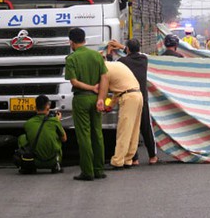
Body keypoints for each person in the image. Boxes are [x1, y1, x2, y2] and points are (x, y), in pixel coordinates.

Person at [65, 27, 108, 181]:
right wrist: (101, 98)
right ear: (84, 39)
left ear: (71, 42)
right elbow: (104, 78)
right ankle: (99, 169)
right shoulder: (97, 56)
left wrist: (90, 88)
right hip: (97, 99)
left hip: (81, 99)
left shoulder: (71, 59)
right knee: (97, 134)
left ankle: (87, 172)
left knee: (84, 136)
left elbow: (74, 81)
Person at [106, 39, 158, 165]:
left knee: (129, 127)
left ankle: (134, 158)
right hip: (142, 97)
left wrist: (109, 52)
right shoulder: (143, 60)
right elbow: (133, 52)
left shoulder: (123, 61)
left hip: (128, 97)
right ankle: (152, 156)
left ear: (128, 49)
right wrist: (122, 46)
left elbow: (109, 67)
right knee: (145, 128)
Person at [98, 61, 144, 169]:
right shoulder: (116, 65)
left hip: (128, 97)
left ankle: (117, 161)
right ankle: (128, 159)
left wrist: (103, 103)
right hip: (137, 94)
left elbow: (104, 91)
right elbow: (117, 91)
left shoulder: (105, 70)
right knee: (133, 130)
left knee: (123, 130)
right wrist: (110, 105)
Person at [17, 95, 67, 174]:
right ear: (48, 107)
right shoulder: (54, 121)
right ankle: (56, 165)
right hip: (53, 160)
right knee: (57, 136)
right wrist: (58, 122)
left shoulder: (28, 123)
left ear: (35, 107)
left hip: (34, 161)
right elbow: (64, 139)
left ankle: (27, 164)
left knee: (22, 138)